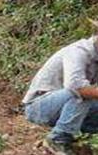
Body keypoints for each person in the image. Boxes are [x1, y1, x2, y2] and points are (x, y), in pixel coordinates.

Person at [23, 20, 98, 154]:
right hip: (38, 106)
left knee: (88, 95)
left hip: (65, 105)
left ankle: (67, 139)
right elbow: (75, 86)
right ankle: (57, 139)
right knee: (82, 92)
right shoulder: (78, 51)